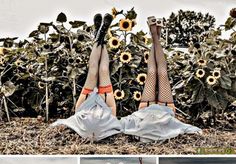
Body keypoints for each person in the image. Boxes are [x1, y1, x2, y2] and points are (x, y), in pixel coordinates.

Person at [120, 16, 202, 142]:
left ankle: (155, 35)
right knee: (159, 72)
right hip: (158, 109)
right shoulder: (143, 135)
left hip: (151, 109)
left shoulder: (149, 134)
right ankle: (155, 35)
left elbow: (123, 124)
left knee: (154, 72)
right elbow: (189, 129)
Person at [51, 13, 121, 141]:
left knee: (95, 70)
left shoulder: (89, 134)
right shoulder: (101, 133)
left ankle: (100, 36)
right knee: (102, 69)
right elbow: (117, 125)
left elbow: (70, 123)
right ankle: (102, 36)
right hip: (106, 108)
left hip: (85, 108)